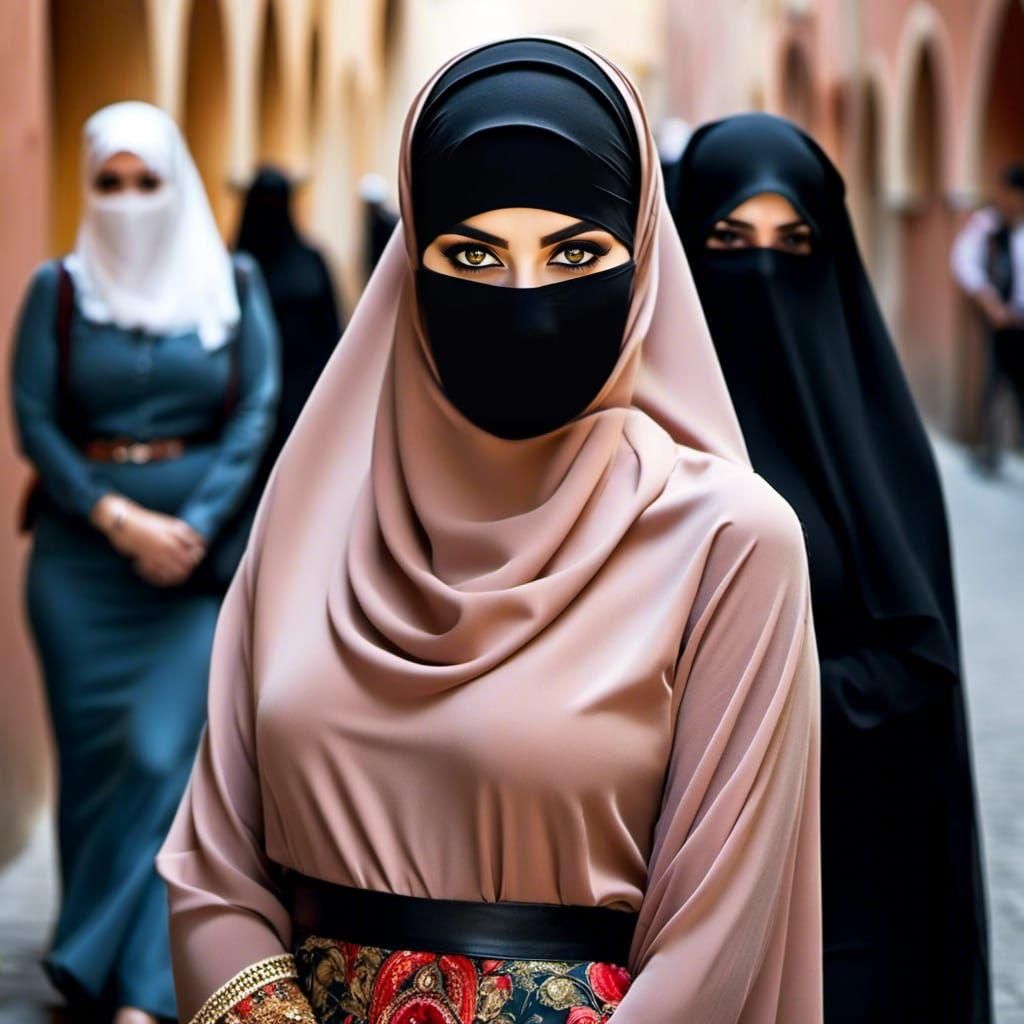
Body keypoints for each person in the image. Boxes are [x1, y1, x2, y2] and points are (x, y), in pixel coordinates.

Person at [158, 40, 822, 1024]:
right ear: (410, 263)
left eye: (575, 254)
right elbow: (212, 867)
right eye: (471, 253)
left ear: (640, 268)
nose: (523, 298)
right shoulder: (308, 520)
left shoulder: (728, 540)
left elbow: (718, 933)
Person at [673, 112, 991, 1024]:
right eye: (729, 241)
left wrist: (765, 697)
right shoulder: (635, 444)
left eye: (792, 241)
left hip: (848, 884)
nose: (762, 270)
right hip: (664, 896)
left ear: (832, 254)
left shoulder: (879, 444)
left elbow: (922, 667)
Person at [11, 101, 279, 1024]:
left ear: (180, 185)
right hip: (81, 567)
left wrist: (195, 527)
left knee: (166, 754)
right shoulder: (60, 290)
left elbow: (256, 415)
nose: (127, 201)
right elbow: (36, 421)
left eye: (146, 182)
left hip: (193, 569)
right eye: (109, 184)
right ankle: (90, 957)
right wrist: (117, 518)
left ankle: (141, 986)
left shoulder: (233, 283)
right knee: (97, 771)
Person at [235, 166, 342, 459]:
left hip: (305, 391)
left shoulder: (311, 259)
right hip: (247, 401)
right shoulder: (235, 268)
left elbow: (331, 328)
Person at [951, 163, 1024, 473]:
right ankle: (988, 451)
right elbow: (964, 260)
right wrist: (990, 302)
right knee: (993, 384)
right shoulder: (989, 225)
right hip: (1001, 321)